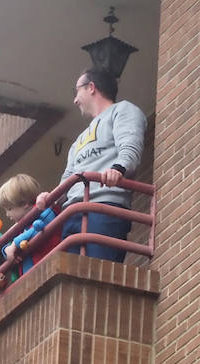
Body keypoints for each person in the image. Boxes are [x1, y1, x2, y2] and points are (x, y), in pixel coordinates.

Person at [60, 68, 147, 262]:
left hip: (103, 207)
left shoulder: (122, 110)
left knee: (97, 273)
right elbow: (67, 177)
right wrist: (49, 198)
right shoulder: (78, 141)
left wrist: (118, 169)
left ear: (91, 87)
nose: (75, 100)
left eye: (77, 91)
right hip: (72, 214)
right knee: (70, 284)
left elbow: (130, 145)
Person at [0, 173, 59, 266]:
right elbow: (10, 243)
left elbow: (38, 229)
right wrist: (6, 250)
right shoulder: (21, 226)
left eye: (9, 209)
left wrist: (15, 244)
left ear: (25, 203)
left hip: (53, 264)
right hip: (37, 273)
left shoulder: (45, 211)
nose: (7, 214)